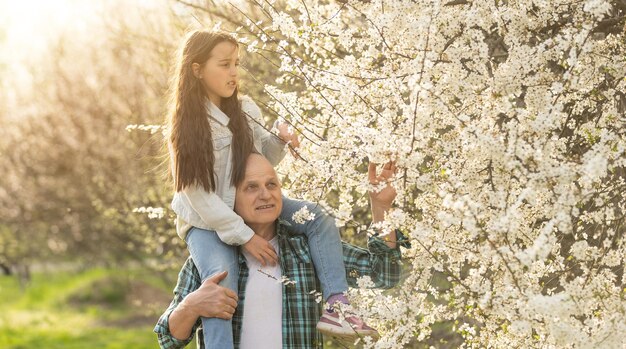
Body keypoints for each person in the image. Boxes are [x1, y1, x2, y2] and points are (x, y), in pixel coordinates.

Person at [165, 30, 370, 348]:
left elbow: (261, 159)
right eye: (224, 64)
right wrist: (244, 236)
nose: (233, 72)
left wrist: (282, 138)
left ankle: (337, 306)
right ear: (196, 69)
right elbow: (199, 196)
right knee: (222, 283)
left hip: (245, 201)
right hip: (205, 221)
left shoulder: (246, 110)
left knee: (317, 217)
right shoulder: (187, 127)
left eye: (236, 63)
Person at [154, 153, 408, 348]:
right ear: (228, 201)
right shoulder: (210, 260)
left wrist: (381, 208)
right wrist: (191, 306)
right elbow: (169, 340)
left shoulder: (309, 250)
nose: (265, 195)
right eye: (251, 187)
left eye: (272, 184)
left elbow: (383, 273)